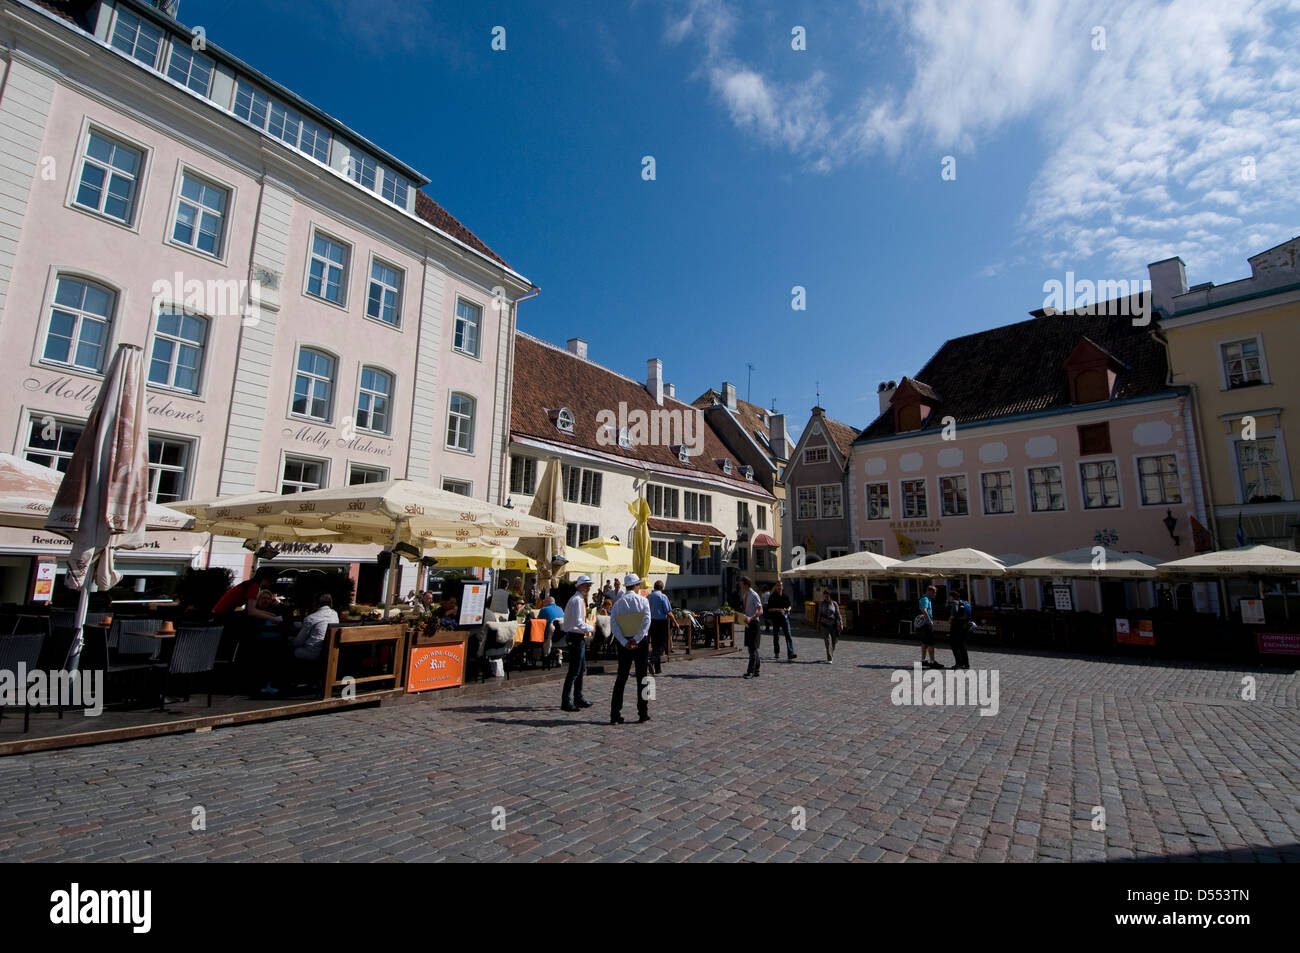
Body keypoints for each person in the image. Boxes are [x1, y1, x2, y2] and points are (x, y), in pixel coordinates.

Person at [609, 573, 652, 724]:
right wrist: (637, 639)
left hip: (624, 643)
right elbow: (647, 621)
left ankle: (615, 714)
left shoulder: (618, 603)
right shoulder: (643, 601)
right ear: (635, 586)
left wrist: (623, 640)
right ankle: (643, 712)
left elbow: (613, 624)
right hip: (640, 642)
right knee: (644, 677)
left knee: (621, 678)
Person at [560, 575, 595, 712]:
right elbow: (578, 623)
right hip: (575, 637)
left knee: (580, 669)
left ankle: (578, 697)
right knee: (574, 671)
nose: (588, 587)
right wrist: (591, 628)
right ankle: (566, 700)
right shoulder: (577, 600)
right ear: (579, 586)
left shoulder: (578, 599)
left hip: (577, 637)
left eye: (589, 585)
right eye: (586, 585)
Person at [647, 580, 675, 675]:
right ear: (662, 588)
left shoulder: (649, 597)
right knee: (663, 645)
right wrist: (675, 621)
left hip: (651, 622)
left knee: (655, 644)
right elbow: (668, 611)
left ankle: (658, 669)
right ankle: (652, 661)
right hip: (661, 622)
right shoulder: (663, 597)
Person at [740, 575, 763, 679]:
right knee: (751, 648)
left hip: (754, 623)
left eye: (741, 583)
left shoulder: (754, 595)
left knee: (752, 649)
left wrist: (751, 618)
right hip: (748, 623)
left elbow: (760, 610)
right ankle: (757, 670)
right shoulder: (746, 594)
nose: (740, 585)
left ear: (745, 584)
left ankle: (750, 672)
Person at [767, 580, 796, 660]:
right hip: (776, 619)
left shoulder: (785, 596)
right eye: (778, 585)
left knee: (788, 635)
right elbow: (769, 609)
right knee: (776, 637)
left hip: (784, 618)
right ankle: (776, 652)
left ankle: (790, 653)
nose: (779, 587)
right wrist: (777, 610)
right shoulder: (772, 597)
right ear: (776, 587)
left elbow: (789, 606)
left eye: (780, 585)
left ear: (782, 587)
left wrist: (788, 609)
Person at [948, 587, 973, 670]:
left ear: (953, 597)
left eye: (950, 596)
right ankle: (966, 664)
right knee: (962, 645)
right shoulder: (966, 603)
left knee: (954, 645)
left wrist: (950, 620)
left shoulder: (955, 603)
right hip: (964, 627)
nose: (949, 598)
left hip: (956, 627)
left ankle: (958, 663)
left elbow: (953, 615)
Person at [917, 584, 939, 669]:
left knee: (925, 643)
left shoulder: (927, 599)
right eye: (934, 592)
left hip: (924, 624)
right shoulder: (925, 599)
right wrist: (930, 621)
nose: (935, 594)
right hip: (926, 624)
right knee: (931, 643)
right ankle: (932, 661)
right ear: (930, 592)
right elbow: (924, 610)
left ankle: (923, 660)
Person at [817, 590, 843, 663]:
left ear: (830, 596)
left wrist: (841, 623)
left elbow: (838, 614)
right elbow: (819, 614)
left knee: (834, 641)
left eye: (827, 596)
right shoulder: (822, 604)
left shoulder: (834, 604)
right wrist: (818, 624)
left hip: (833, 625)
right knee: (828, 641)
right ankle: (829, 658)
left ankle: (831, 653)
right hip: (824, 624)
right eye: (825, 596)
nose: (826, 597)